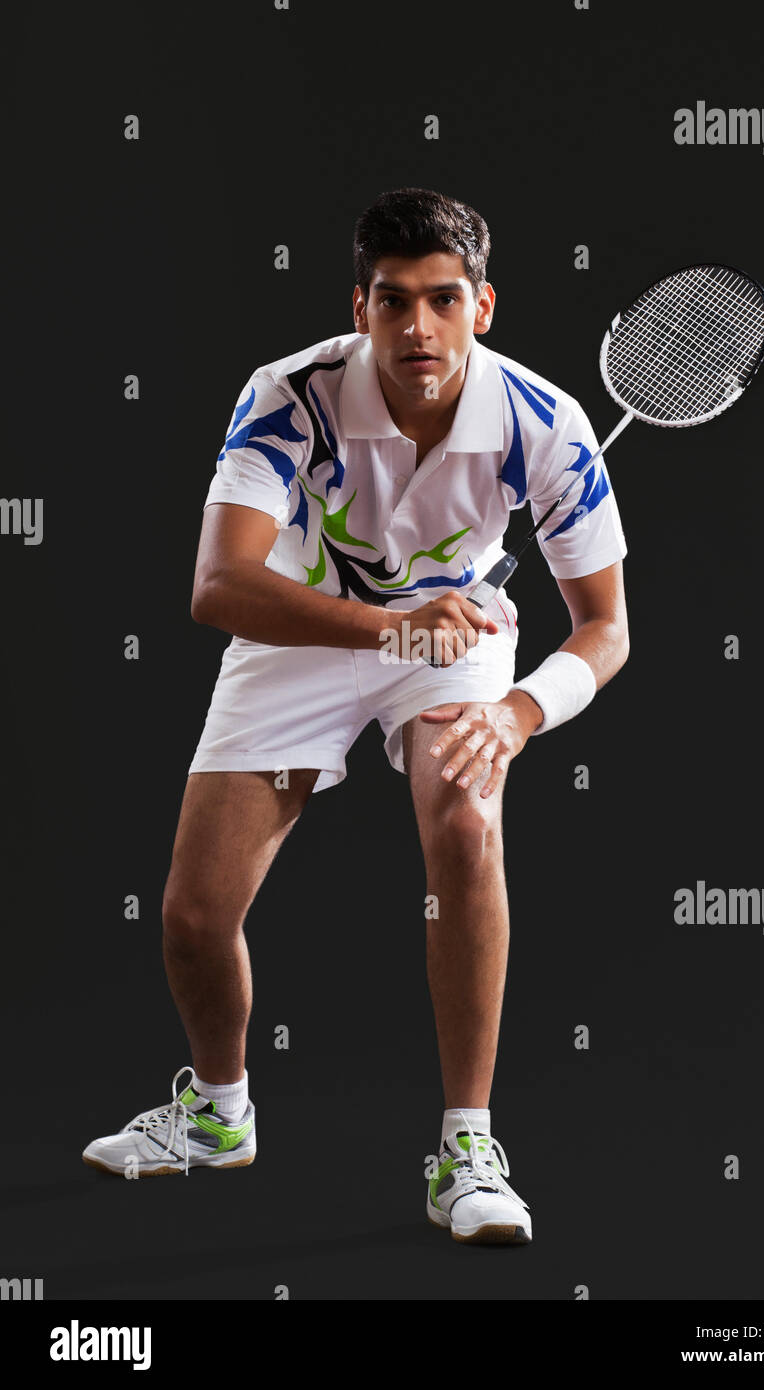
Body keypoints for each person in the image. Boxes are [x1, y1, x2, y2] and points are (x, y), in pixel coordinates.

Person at [82, 187, 630, 1245]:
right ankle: (217, 1111)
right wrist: (382, 629)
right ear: (361, 304)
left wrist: (518, 712)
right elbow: (217, 585)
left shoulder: (545, 424)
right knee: (194, 916)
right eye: (392, 301)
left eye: (440, 300)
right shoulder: (292, 395)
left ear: (481, 306)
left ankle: (465, 1146)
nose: (415, 327)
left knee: (467, 823)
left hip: (456, 647)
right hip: (304, 628)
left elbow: (604, 627)